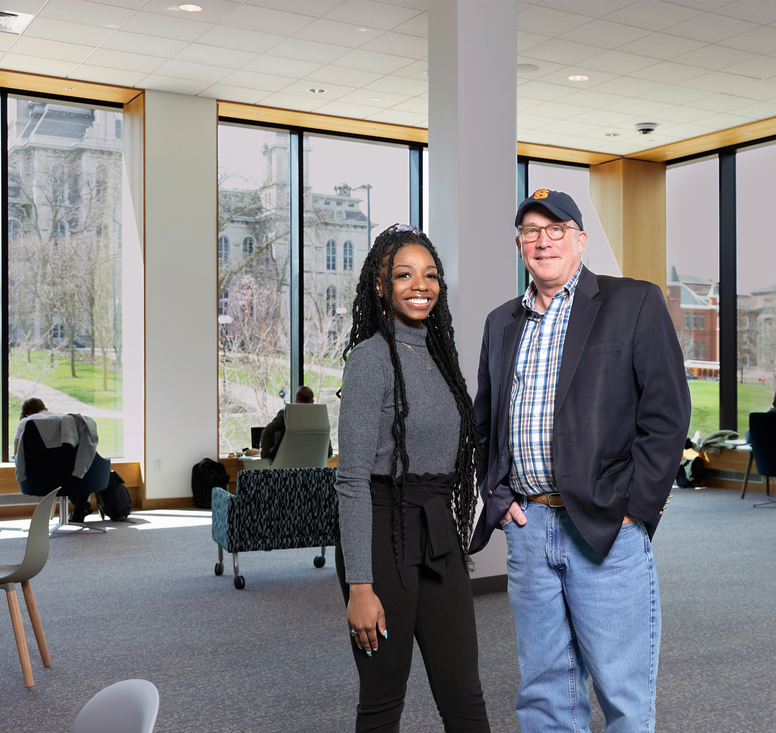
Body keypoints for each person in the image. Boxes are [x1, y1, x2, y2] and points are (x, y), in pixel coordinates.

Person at [470, 189, 690, 732]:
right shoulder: (501, 322)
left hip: (605, 526)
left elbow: (666, 416)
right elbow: (485, 422)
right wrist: (498, 495)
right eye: (531, 231)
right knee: (544, 687)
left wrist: (635, 508)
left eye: (556, 229)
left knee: (621, 688)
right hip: (529, 525)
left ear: (581, 240)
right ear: (520, 244)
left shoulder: (633, 302)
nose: (543, 241)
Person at [334, 224, 489, 732]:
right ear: (381, 286)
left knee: (465, 695)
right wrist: (360, 585)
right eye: (404, 274)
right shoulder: (370, 360)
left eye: (430, 274)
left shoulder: (440, 358)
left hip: (438, 532)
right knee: (383, 700)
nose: (419, 284)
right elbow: (352, 479)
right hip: (382, 534)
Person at [258, 385, 332, 460]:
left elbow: (267, 432)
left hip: (283, 465)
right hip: (314, 466)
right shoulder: (320, 417)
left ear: (296, 400)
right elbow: (329, 451)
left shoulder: (285, 415)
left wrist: (265, 458)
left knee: (251, 453)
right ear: (312, 401)